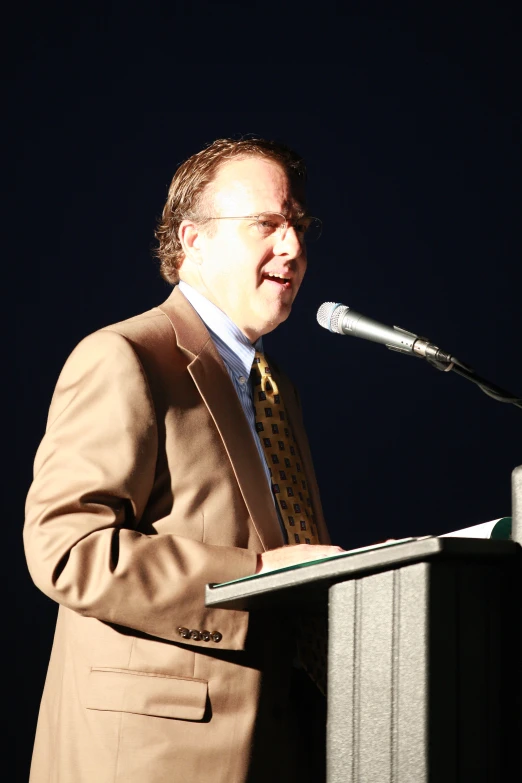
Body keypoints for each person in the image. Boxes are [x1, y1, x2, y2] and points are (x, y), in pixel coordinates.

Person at [24, 137, 343, 783]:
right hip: (154, 755)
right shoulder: (126, 356)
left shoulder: (274, 387)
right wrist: (255, 573)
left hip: (283, 746)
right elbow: (66, 548)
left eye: (299, 226)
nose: (293, 247)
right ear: (192, 240)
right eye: (268, 225)